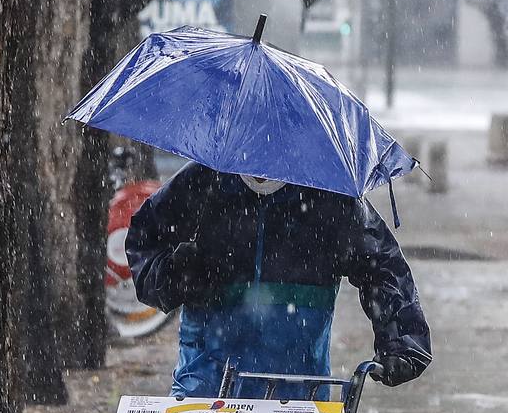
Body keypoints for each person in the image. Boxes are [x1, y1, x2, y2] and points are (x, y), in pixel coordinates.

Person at [125, 166, 431, 399]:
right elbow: (144, 243)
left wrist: (402, 343)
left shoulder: (328, 196)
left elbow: (381, 266)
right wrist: (176, 274)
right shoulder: (204, 182)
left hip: (297, 391)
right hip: (206, 383)